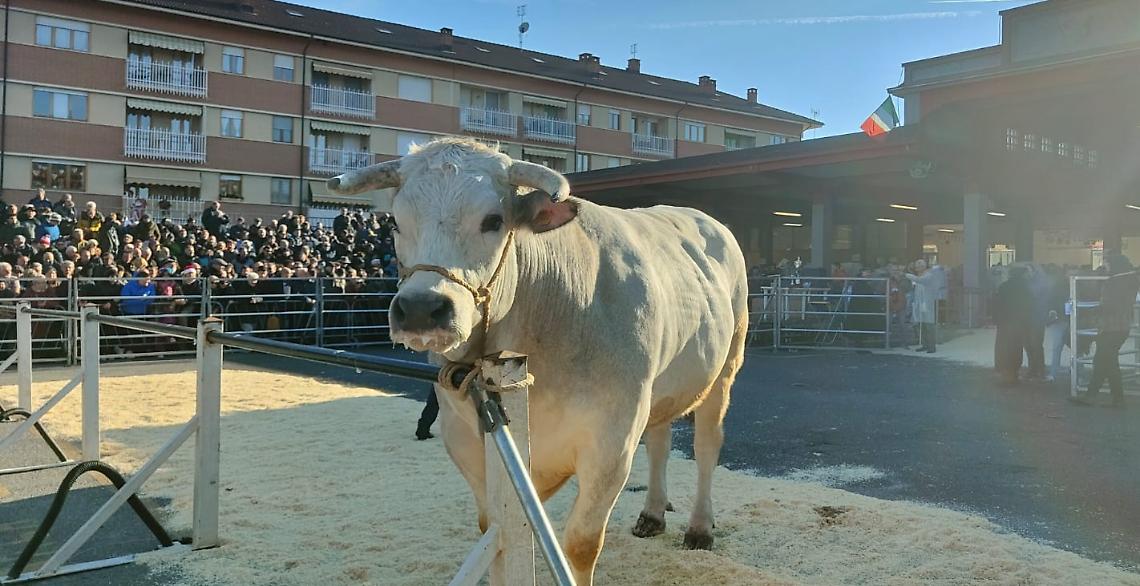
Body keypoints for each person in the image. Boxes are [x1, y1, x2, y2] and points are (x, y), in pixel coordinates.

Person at [1072, 253, 1139, 408]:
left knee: (1104, 361)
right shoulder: (1130, 280)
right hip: (1122, 327)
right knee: (1107, 361)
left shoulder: (1114, 282)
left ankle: (1100, 397)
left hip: (1110, 326)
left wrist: (1093, 311)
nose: (1105, 266)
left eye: (1107, 263)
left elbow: (1109, 305)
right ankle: (1111, 398)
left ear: (1114, 264)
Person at [994, 265, 1035, 386]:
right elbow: (1029, 305)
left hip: (1004, 322)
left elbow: (997, 304)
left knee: (1004, 347)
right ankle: (1013, 372)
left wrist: (997, 319)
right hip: (1019, 322)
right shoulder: (1025, 287)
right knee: (1016, 347)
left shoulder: (1003, 287)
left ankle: (1005, 373)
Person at [905, 259, 941, 353]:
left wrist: (908, 275)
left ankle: (931, 346)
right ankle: (925, 345)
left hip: (927, 303)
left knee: (929, 325)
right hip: (919, 303)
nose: (916, 267)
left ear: (924, 266)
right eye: (916, 265)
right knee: (922, 325)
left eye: (919, 265)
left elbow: (920, 281)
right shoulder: (920, 276)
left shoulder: (929, 275)